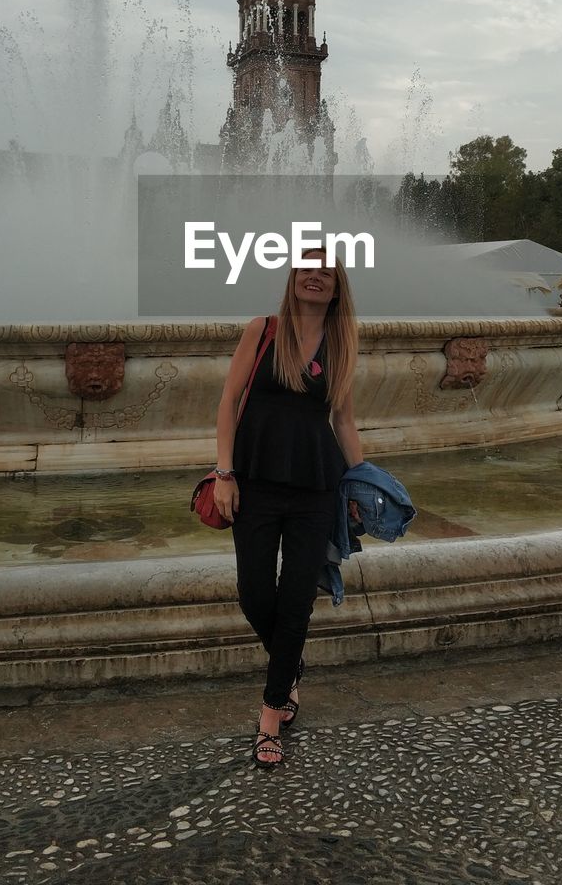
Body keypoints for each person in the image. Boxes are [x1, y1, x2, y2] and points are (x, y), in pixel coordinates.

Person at [213, 247, 364, 769]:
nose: (315, 275)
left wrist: (361, 485)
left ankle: (272, 710)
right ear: (293, 277)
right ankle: (290, 662)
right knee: (254, 592)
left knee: (297, 597)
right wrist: (223, 474)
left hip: (315, 487)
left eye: (326, 270)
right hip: (253, 482)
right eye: (307, 267)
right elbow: (229, 403)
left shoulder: (342, 342)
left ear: (337, 285)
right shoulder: (262, 330)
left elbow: (342, 421)